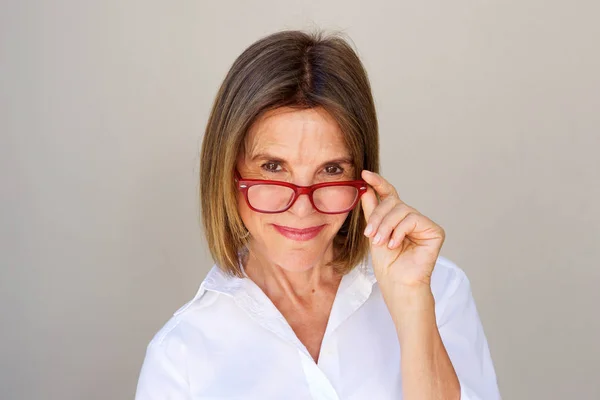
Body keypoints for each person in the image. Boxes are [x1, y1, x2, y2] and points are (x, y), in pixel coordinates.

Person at [135, 30, 500, 399]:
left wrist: (411, 309)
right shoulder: (180, 358)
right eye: (274, 167)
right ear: (229, 172)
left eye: (331, 170)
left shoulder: (437, 290)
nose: (303, 207)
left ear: (362, 174)